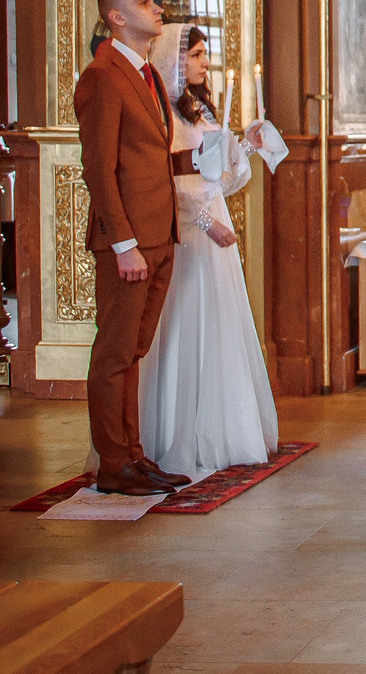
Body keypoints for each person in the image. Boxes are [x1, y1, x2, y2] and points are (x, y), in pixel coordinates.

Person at [139, 25, 279, 480]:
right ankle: (176, 431)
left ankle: (220, 429)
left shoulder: (199, 109)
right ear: (174, 58)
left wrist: (247, 146)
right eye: (196, 54)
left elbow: (222, 179)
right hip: (187, 227)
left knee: (219, 320)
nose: (204, 62)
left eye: (205, 54)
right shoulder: (162, 114)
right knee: (185, 319)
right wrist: (204, 222)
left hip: (214, 219)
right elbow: (166, 183)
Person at [74, 0, 189, 496]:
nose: (157, 7)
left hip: (159, 235)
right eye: (145, 2)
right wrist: (123, 244)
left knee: (134, 350)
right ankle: (113, 464)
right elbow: (98, 169)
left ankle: (133, 456)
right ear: (117, 17)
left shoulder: (145, 73)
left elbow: (152, 156)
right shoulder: (102, 77)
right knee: (114, 354)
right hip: (129, 243)